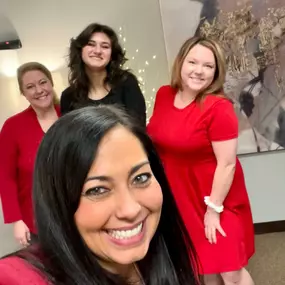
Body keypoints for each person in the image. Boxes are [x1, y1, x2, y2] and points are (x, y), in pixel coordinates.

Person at [0, 105, 200, 285]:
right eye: (97, 190)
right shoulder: (19, 277)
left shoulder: (166, 254)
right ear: (59, 201)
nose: (130, 210)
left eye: (140, 178)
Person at [147, 37, 255, 285]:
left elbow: (227, 164)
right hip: (182, 196)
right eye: (192, 62)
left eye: (208, 66)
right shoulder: (164, 95)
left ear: (216, 72)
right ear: (180, 63)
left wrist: (213, 209)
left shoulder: (219, 107)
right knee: (203, 266)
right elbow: (158, 137)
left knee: (231, 270)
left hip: (217, 199)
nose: (198, 70)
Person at [0, 62, 60, 247]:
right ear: (23, 93)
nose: (39, 90)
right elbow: (5, 177)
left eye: (43, 82)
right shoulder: (12, 127)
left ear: (51, 83)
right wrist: (16, 220)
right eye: (30, 87)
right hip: (36, 220)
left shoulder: (71, 114)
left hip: (77, 213)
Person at [60, 23, 146, 127]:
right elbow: (69, 137)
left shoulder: (126, 82)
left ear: (111, 55)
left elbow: (138, 130)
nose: (97, 51)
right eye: (91, 44)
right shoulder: (68, 97)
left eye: (105, 46)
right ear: (80, 50)